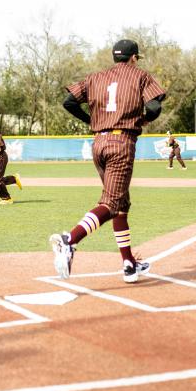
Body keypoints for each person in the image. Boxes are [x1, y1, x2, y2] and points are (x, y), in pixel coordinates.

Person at [49, 39, 166, 283]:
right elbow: (154, 108)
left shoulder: (95, 77)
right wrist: (142, 119)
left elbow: (69, 102)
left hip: (99, 143)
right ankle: (69, 240)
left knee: (121, 205)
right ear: (134, 57)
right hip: (121, 142)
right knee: (111, 204)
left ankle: (129, 264)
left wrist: (91, 121)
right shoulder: (140, 76)